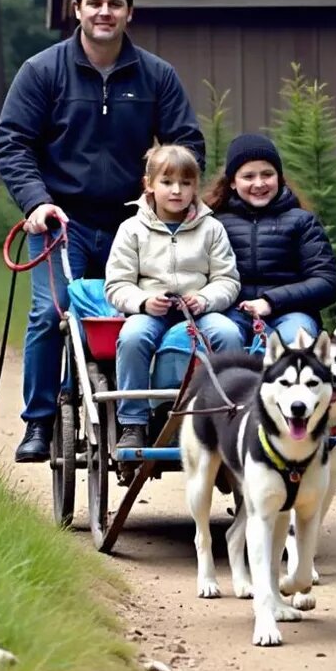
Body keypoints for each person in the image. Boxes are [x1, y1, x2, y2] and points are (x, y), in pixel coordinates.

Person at [0, 0, 206, 464]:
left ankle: (141, 414)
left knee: (132, 315)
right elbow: (13, 144)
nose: (104, 12)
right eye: (95, 3)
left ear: (130, 12)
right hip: (60, 223)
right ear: (78, 10)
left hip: (135, 226)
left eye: (114, 4)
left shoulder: (156, 76)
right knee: (52, 314)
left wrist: (166, 196)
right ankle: (40, 423)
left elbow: (186, 142)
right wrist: (35, 201)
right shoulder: (42, 71)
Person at [104, 145, 240, 449]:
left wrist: (204, 299)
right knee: (132, 338)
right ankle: (134, 423)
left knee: (229, 333)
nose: (176, 190)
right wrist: (143, 302)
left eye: (186, 183)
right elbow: (117, 284)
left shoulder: (212, 229)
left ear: (195, 186)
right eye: (167, 182)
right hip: (151, 311)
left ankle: (225, 418)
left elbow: (227, 280)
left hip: (200, 312)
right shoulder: (131, 230)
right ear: (149, 185)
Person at [203, 133, 336, 348]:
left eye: (267, 174)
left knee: (297, 339)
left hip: (290, 313)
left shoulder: (302, 221)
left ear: (279, 177)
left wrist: (270, 301)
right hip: (230, 313)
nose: (259, 183)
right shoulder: (213, 223)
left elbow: (327, 281)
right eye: (248, 177)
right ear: (232, 182)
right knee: (221, 335)